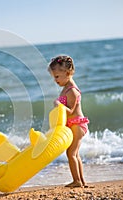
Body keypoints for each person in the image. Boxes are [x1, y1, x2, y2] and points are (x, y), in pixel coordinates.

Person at [48, 55, 89, 188]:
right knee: (75, 153)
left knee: (71, 153)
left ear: (67, 73)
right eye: (54, 77)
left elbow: (70, 111)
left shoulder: (71, 90)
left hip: (77, 124)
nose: (55, 80)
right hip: (74, 124)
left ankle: (77, 181)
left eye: (57, 77)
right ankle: (81, 181)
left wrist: (58, 105)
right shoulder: (66, 88)